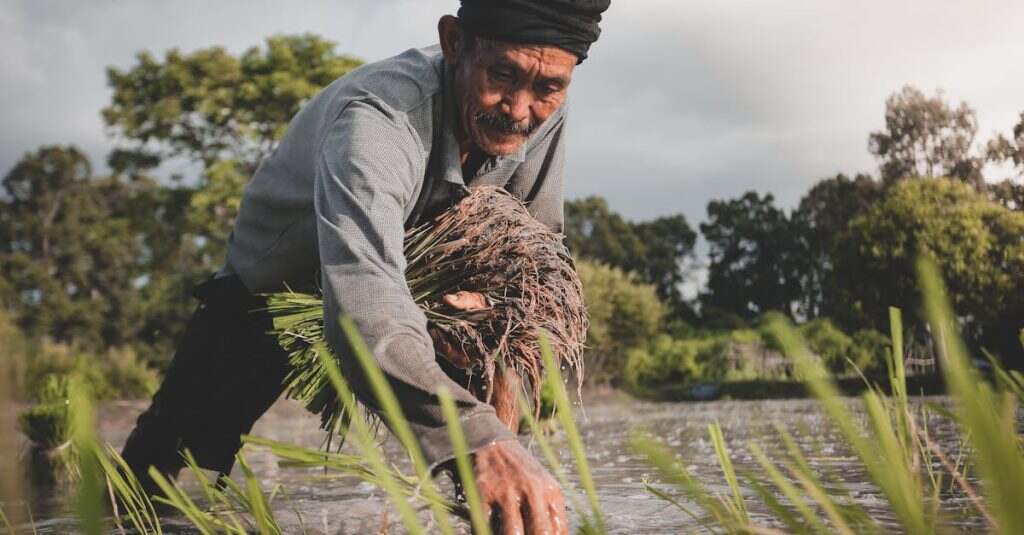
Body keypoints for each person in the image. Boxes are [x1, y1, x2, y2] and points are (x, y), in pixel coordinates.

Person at [120, 1, 611, 532]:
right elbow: (365, 307)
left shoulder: (542, 109)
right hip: (274, 293)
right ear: (454, 43)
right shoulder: (377, 121)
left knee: (495, 453)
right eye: (502, 76)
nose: (518, 109)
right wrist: (480, 440)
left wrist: (500, 397)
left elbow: (533, 264)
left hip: (426, 288)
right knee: (165, 471)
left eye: (547, 88)